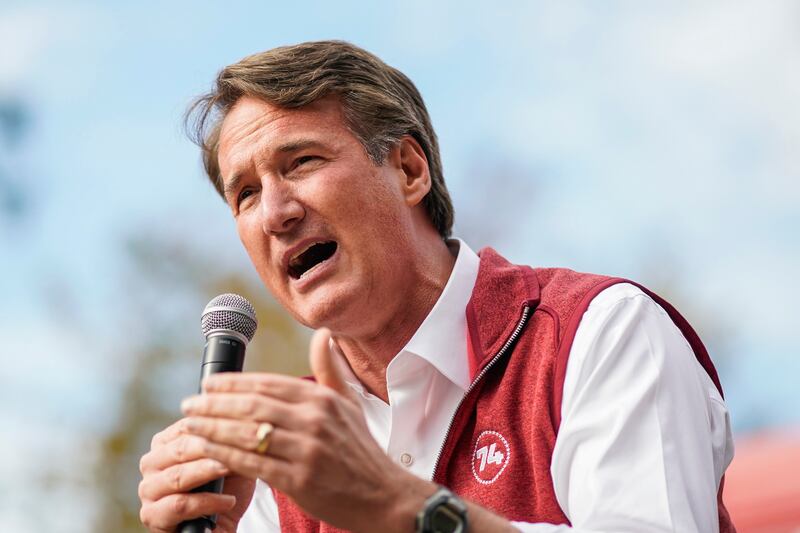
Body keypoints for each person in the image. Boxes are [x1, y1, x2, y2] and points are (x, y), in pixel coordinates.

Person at [138, 41, 736, 532]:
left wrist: (403, 510)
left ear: (408, 169)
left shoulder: (601, 332)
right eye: (245, 194)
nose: (275, 213)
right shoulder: (280, 457)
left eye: (302, 162)